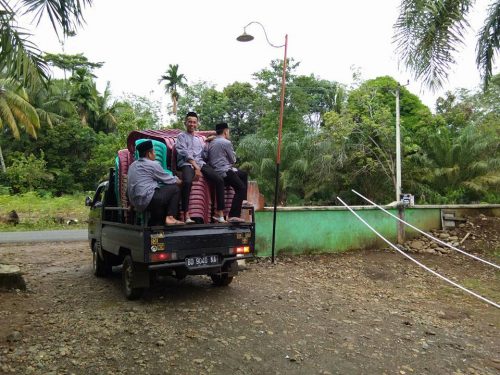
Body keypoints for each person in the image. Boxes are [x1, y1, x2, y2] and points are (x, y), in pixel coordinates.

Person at [175, 111, 226, 223]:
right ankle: (186, 215)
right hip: (186, 163)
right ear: (185, 123)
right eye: (190, 122)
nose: (192, 124)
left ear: (197, 123)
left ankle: (220, 213)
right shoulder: (181, 137)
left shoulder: (198, 139)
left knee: (219, 179)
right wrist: (196, 168)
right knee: (187, 181)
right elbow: (184, 153)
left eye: (194, 122)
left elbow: (203, 155)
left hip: (200, 163)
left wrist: (208, 143)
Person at [127, 140, 183, 226]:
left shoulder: (132, 166)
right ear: (149, 154)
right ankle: (170, 218)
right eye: (154, 152)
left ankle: (154, 227)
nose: (155, 154)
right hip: (147, 199)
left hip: (136, 203)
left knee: (159, 208)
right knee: (175, 189)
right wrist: (182, 181)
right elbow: (169, 180)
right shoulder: (153, 164)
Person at [207, 122, 248, 223]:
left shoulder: (211, 142)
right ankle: (233, 215)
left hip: (215, 171)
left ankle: (244, 200)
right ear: (225, 131)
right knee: (241, 187)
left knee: (243, 174)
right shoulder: (226, 143)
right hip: (224, 171)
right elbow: (233, 160)